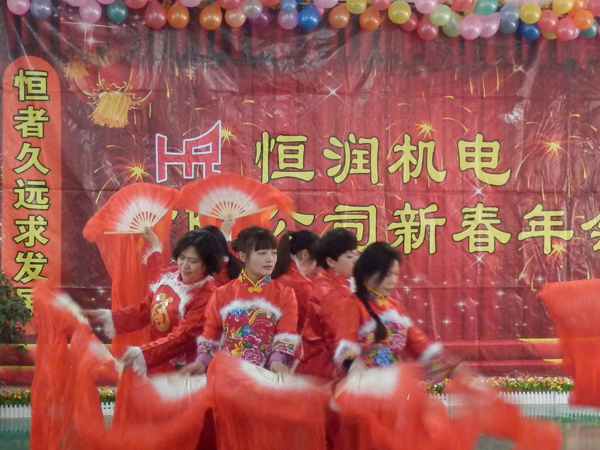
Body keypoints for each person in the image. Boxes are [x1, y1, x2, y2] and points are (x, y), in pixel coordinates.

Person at [82, 228, 223, 375]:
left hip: (183, 368)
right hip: (155, 359)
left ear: (207, 264)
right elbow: (143, 310)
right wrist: (105, 316)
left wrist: (142, 354)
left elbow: (182, 337)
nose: (184, 265)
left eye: (193, 261)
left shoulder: (207, 296)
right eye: (182, 257)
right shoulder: (169, 276)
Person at [183, 226, 299, 375]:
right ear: (243, 257)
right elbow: (210, 336)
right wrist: (201, 362)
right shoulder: (222, 294)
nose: (270, 259)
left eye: (273, 253)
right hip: (227, 375)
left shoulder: (285, 294)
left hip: (265, 376)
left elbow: (285, 336)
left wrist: (277, 361)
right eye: (262, 253)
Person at [334, 241, 459, 378]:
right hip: (364, 383)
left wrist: (452, 368)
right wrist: (353, 372)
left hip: (394, 383)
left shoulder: (396, 307)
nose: (392, 281)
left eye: (395, 274)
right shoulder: (352, 305)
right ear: (367, 273)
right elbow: (345, 347)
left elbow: (419, 345)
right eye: (387, 274)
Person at [295, 229, 359, 379]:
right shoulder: (329, 293)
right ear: (331, 261)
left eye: (356, 255)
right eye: (349, 256)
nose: (356, 260)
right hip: (323, 371)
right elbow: (340, 337)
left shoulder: (336, 285)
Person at [271, 230, 319, 334]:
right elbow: (312, 324)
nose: (316, 266)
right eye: (317, 260)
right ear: (305, 254)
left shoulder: (276, 274)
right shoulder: (301, 285)